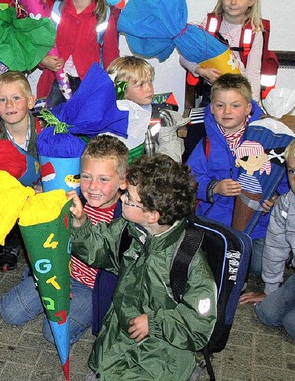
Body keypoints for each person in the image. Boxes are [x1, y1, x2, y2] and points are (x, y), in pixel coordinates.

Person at [71, 154, 216, 381]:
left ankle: (188, 372)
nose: (121, 200)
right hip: (119, 340)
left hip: (161, 356)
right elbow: (100, 249)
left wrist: (156, 322)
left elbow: (200, 325)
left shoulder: (187, 260)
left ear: (152, 215)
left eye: (128, 197)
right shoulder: (131, 230)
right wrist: (80, 224)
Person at [0, 135, 127, 344]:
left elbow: (105, 255)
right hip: (59, 273)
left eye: (103, 179)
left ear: (123, 181)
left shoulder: (124, 216)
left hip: (91, 288)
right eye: (85, 176)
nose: (93, 186)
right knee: (9, 312)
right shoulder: (74, 197)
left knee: (53, 334)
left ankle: (86, 315)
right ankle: (38, 288)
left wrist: (82, 221)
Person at [186, 73, 285, 276]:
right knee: (208, 261)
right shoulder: (207, 143)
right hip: (216, 218)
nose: (227, 111)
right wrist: (214, 187)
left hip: (257, 223)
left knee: (258, 267)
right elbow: (190, 178)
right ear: (211, 108)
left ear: (248, 108)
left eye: (235, 105)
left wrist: (277, 201)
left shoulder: (266, 139)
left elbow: (284, 177)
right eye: (220, 105)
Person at [240, 133, 295, 343]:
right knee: (267, 312)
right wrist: (271, 290)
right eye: (292, 171)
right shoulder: (286, 204)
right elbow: (275, 248)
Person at [37, 0, 119, 108]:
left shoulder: (104, 15)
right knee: (54, 124)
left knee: (87, 126)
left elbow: (111, 55)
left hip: (89, 83)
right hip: (57, 79)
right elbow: (41, 43)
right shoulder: (56, 10)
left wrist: (113, 87)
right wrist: (43, 60)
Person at [0, 71, 41, 271]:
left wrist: (45, 185)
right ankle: (10, 242)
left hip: (39, 194)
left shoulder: (45, 132)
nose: (9, 105)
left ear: (30, 101)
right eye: (2, 100)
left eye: (16, 98)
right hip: (7, 197)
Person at [181, 0, 266, 104]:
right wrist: (202, 71)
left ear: (251, 1)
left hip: (240, 95)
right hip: (212, 93)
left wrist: (253, 104)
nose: (233, 2)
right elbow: (184, 58)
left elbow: (253, 72)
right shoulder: (209, 25)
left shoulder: (255, 31)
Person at [107, 56, 156, 159]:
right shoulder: (109, 119)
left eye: (150, 82)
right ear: (122, 89)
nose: (149, 89)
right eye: (140, 85)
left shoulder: (159, 115)